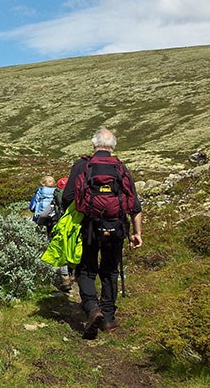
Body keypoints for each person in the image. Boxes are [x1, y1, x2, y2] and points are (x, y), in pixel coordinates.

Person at [62, 127, 143, 339]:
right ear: (113, 146)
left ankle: (91, 308)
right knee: (110, 271)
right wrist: (137, 233)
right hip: (117, 228)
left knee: (86, 270)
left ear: (94, 144)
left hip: (89, 227)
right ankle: (107, 317)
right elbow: (134, 205)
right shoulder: (120, 168)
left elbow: (67, 197)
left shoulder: (82, 165)